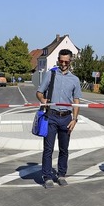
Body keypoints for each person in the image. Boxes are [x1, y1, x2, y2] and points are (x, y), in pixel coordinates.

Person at [36, 49, 82, 188]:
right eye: (61, 61)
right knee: (48, 149)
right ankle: (47, 177)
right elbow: (39, 92)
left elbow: (76, 101)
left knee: (64, 149)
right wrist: (43, 100)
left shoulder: (75, 79)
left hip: (66, 118)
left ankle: (61, 175)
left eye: (66, 61)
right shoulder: (51, 74)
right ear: (58, 60)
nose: (63, 63)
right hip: (52, 116)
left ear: (70, 62)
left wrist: (75, 119)